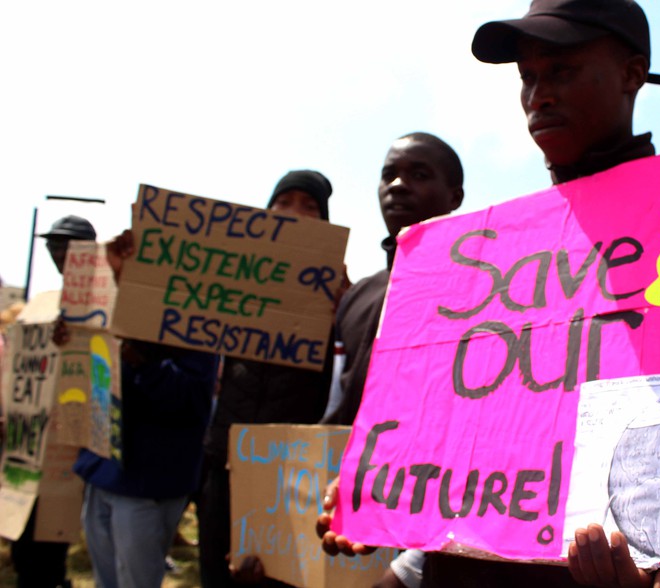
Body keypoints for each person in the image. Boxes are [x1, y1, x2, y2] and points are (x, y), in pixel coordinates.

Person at [318, 132, 464, 588]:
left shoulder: (479, 287)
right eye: (389, 175)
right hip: (360, 504)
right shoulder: (358, 294)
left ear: (454, 196)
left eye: (419, 175)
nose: (397, 185)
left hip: (445, 512)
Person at [197, 170, 337, 588]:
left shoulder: (337, 301)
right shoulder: (230, 288)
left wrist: (338, 314)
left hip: (292, 478)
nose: (295, 213)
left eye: (310, 207)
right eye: (284, 202)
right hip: (224, 468)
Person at [60, 228, 216, 588]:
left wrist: (142, 363)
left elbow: (192, 401)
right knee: (106, 580)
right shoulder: (110, 309)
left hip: (149, 484)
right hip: (103, 472)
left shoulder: (194, 323)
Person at [9, 215, 96, 588]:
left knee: (48, 541)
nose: (57, 252)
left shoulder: (103, 304)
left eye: (66, 245)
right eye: (52, 244)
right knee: (25, 545)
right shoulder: (44, 306)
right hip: (30, 445)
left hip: (72, 446)